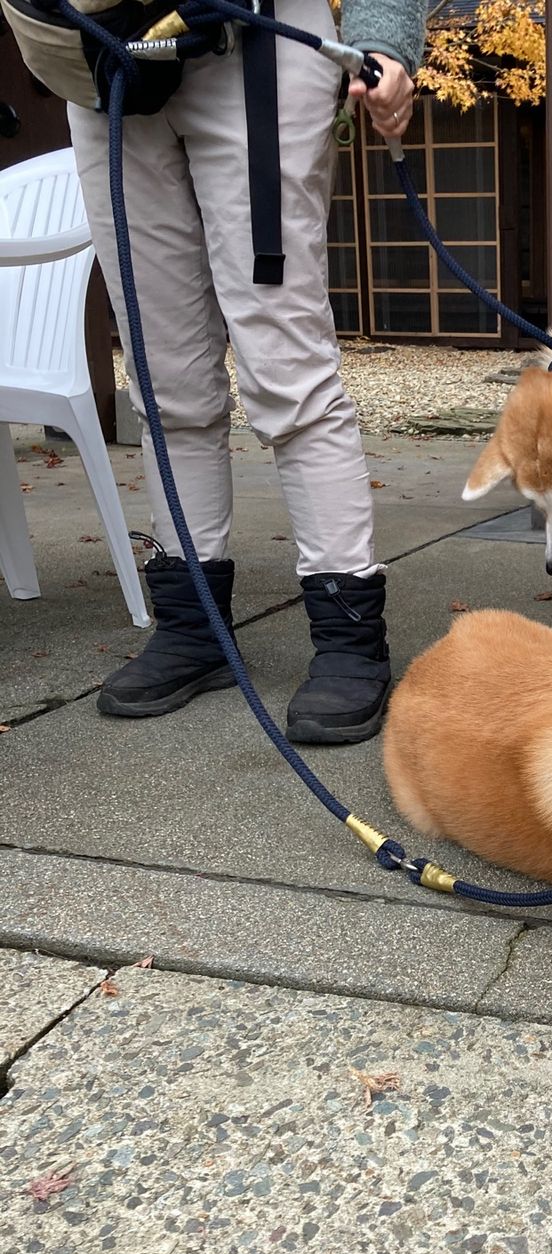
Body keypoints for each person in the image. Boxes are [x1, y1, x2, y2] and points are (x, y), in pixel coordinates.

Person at [64, 0, 430, 743]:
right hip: (104, 58)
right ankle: (192, 624)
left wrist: (383, 42)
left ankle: (349, 636)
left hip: (255, 41)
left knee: (286, 364)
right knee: (161, 372)